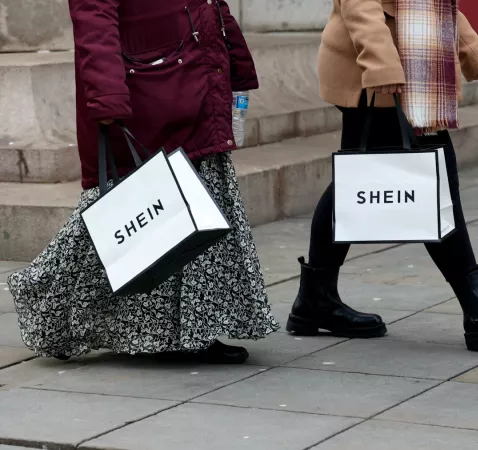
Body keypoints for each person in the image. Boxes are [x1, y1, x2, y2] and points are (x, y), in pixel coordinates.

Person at [7, 0, 279, 363]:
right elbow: (94, 19)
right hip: (152, 92)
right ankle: (50, 310)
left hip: (193, 80)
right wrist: (106, 96)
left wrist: (236, 63)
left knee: (193, 219)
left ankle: (190, 333)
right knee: (133, 217)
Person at [286, 0, 478, 350]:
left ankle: (315, 300)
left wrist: (471, 48)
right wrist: (379, 63)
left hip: (414, 69)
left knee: (358, 184)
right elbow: (358, 3)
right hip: (380, 73)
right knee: (432, 179)